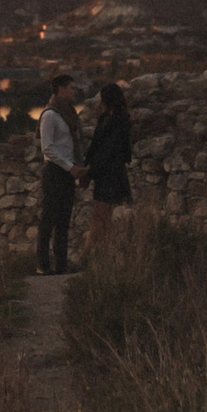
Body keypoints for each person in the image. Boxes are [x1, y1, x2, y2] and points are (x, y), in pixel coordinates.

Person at [36, 72, 83, 275]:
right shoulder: (50, 115)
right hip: (56, 171)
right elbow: (47, 148)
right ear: (61, 89)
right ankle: (42, 265)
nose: (75, 91)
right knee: (48, 219)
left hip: (67, 171)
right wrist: (69, 166)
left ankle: (61, 264)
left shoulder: (69, 113)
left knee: (64, 220)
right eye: (72, 88)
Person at [81, 81, 132, 261]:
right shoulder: (105, 118)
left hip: (111, 174)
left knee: (99, 215)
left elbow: (110, 150)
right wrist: (88, 168)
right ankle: (114, 256)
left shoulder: (119, 120)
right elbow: (95, 146)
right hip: (103, 174)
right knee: (104, 218)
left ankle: (84, 256)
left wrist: (90, 169)